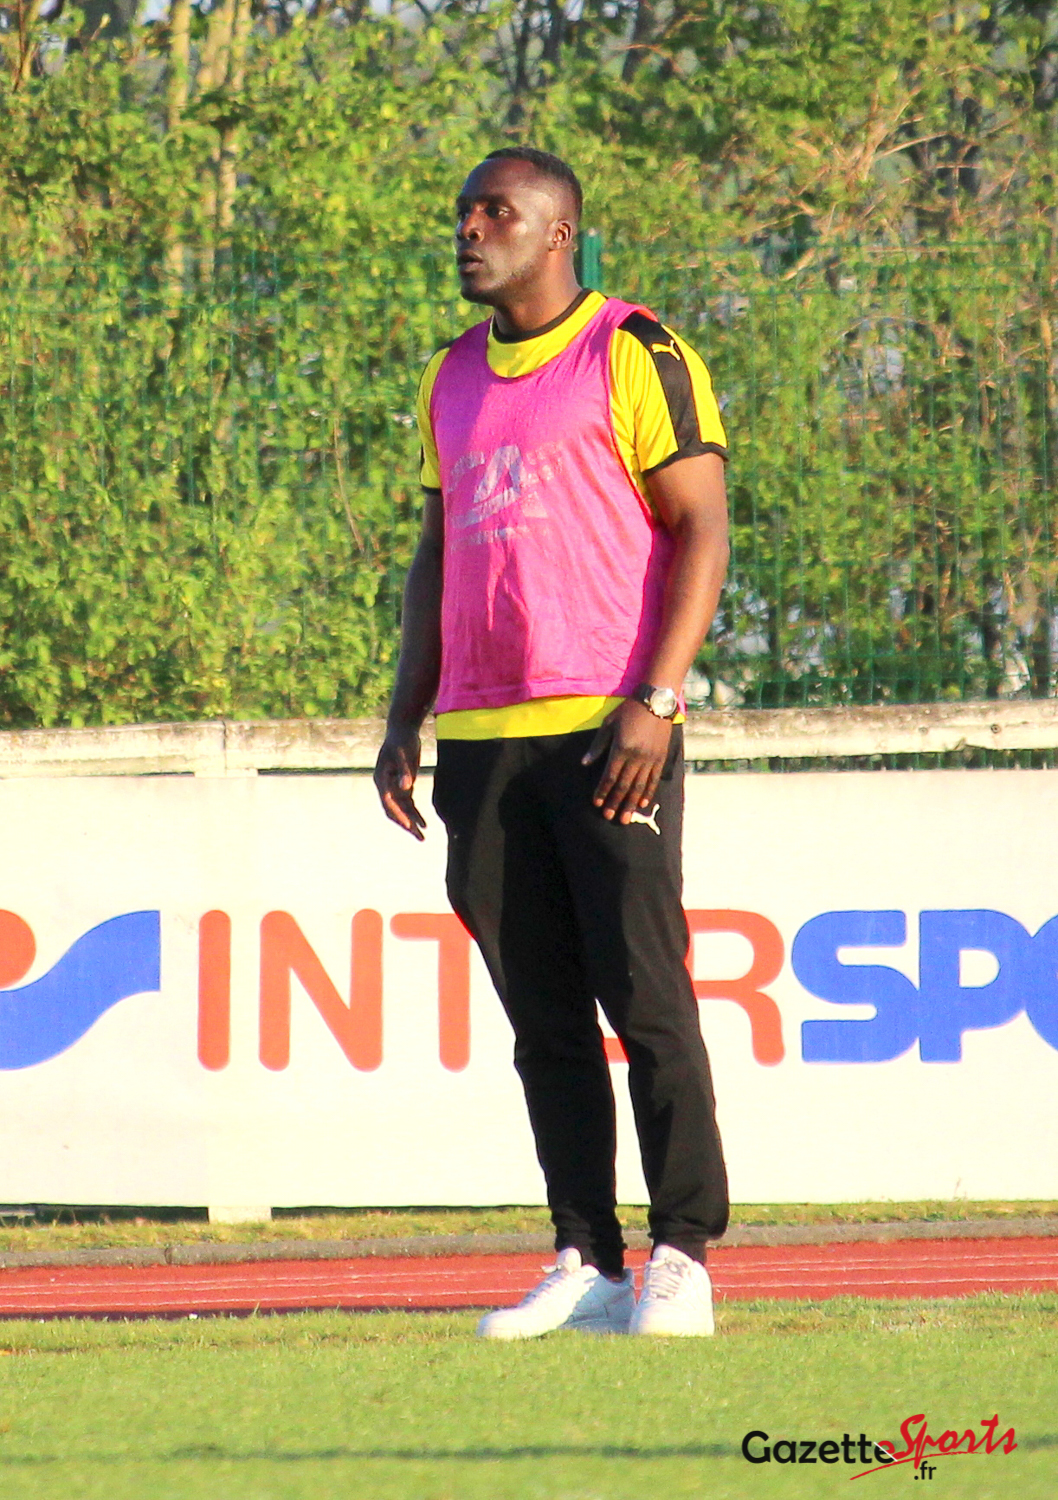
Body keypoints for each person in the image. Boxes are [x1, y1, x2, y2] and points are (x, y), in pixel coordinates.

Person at [374, 146, 730, 1338]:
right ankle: (585, 1256)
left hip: (607, 727)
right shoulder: (448, 375)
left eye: (496, 213)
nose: (469, 230)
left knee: (645, 997)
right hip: (482, 739)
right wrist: (404, 714)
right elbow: (436, 556)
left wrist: (656, 701)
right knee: (542, 1019)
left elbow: (701, 528)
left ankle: (681, 1254)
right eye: (463, 213)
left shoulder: (633, 349)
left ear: (558, 232)